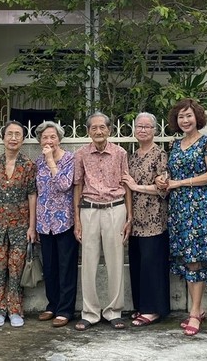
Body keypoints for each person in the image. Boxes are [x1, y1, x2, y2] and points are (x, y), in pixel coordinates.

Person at [156, 98, 207, 337]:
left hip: (198, 208)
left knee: (196, 260)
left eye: (189, 116)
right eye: (181, 116)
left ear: (198, 118)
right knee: (186, 259)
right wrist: (162, 180)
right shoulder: (175, 143)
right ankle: (195, 310)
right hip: (178, 209)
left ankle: (195, 311)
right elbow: (169, 174)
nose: (185, 120)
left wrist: (180, 183)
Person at [73, 112, 133, 331]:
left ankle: (114, 311)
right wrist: (77, 220)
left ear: (109, 129)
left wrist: (129, 216)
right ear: (88, 131)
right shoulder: (80, 154)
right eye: (93, 128)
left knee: (115, 261)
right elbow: (77, 186)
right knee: (88, 262)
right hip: (88, 210)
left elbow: (126, 184)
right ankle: (90, 312)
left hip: (114, 209)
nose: (98, 131)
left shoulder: (120, 153)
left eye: (102, 127)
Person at [0, 121, 38, 328]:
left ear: (23, 139)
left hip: (21, 223)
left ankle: (15, 310)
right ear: (3, 137)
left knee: (16, 267)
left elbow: (32, 195)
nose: (13, 138)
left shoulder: (28, 165)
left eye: (18, 134)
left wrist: (32, 227)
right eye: (10, 134)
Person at [121, 112, 170, 327]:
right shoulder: (132, 156)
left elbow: (163, 189)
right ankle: (141, 306)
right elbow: (126, 188)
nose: (142, 130)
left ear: (155, 130)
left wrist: (136, 186)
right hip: (137, 219)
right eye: (139, 126)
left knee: (153, 265)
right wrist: (129, 217)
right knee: (138, 264)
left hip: (154, 219)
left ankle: (153, 310)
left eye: (147, 127)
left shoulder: (160, 155)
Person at [34, 121, 77, 328]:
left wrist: (51, 161)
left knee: (66, 266)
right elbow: (37, 192)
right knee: (49, 266)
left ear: (59, 139)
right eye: (44, 137)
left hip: (64, 221)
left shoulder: (69, 159)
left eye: (52, 137)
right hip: (44, 222)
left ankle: (65, 309)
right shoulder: (37, 162)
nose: (49, 140)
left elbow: (64, 185)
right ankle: (52, 305)